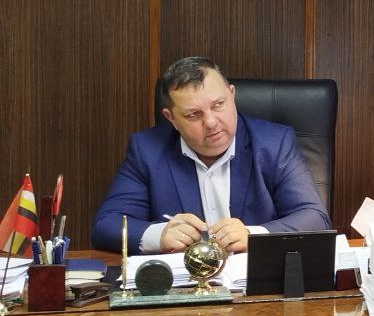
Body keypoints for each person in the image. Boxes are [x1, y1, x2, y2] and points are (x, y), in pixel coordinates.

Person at [91, 56, 331, 255]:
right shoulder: (147, 150)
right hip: (184, 288)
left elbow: (315, 218)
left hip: (255, 287)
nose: (211, 122)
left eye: (218, 105)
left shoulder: (274, 143)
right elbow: (106, 225)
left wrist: (253, 236)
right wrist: (159, 235)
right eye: (193, 114)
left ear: (232, 95)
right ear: (171, 118)